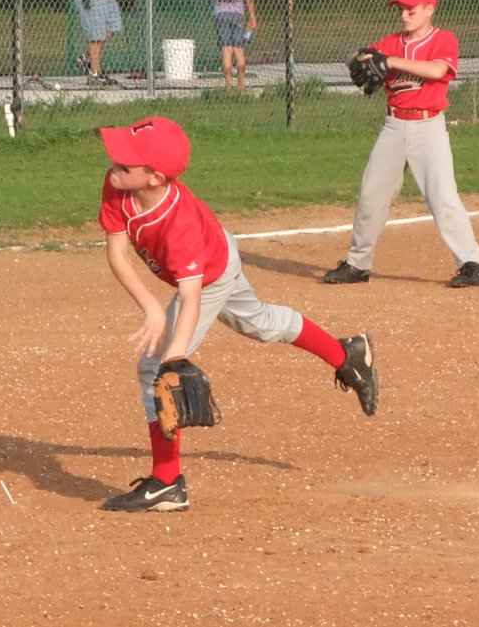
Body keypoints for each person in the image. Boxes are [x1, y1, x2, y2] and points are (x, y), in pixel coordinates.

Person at [97, 116, 378, 512]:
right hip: (218, 251)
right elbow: (116, 253)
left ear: (155, 178)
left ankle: (166, 483)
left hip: (210, 273)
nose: (114, 167)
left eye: (126, 164)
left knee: (154, 367)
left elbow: (191, 297)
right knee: (260, 323)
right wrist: (151, 310)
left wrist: (173, 357)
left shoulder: (180, 226)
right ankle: (345, 353)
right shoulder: (118, 186)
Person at [322, 0, 479, 289]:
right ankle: (358, 265)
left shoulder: (443, 40)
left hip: (429, 127)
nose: (404, 15)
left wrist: (390, 62)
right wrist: (359, 58)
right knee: (371, 194)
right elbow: (365, 57)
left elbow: (438, 71)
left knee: (442, 196)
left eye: (411, 9)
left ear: (429, 9)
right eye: (401, 9)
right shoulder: (390, 42)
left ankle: (472, 263)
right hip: (394, 127)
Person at [206, 0, 258, 90]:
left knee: (226, 49)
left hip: (220, 13)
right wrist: (252, 17)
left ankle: (228, 84)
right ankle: (241, 83)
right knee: (238, 49)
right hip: (238, 14)